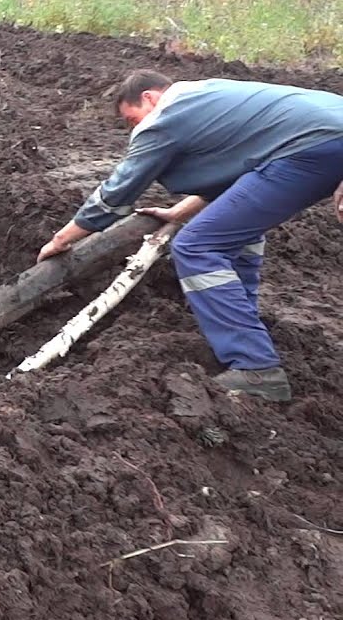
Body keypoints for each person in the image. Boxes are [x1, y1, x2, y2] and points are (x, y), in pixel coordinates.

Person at [37, 69, 343, 402]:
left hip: (315, 148)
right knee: (235, 233)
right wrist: (178, 213)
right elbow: (237, 177)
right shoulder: (206, 96)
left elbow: (116, 193)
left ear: (150, 97)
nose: (134, 129)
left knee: (197, 246)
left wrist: (61, 239)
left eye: (131, 119)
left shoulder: (167, 117)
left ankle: (256, 368)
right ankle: (242, 330)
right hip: (323, 144)